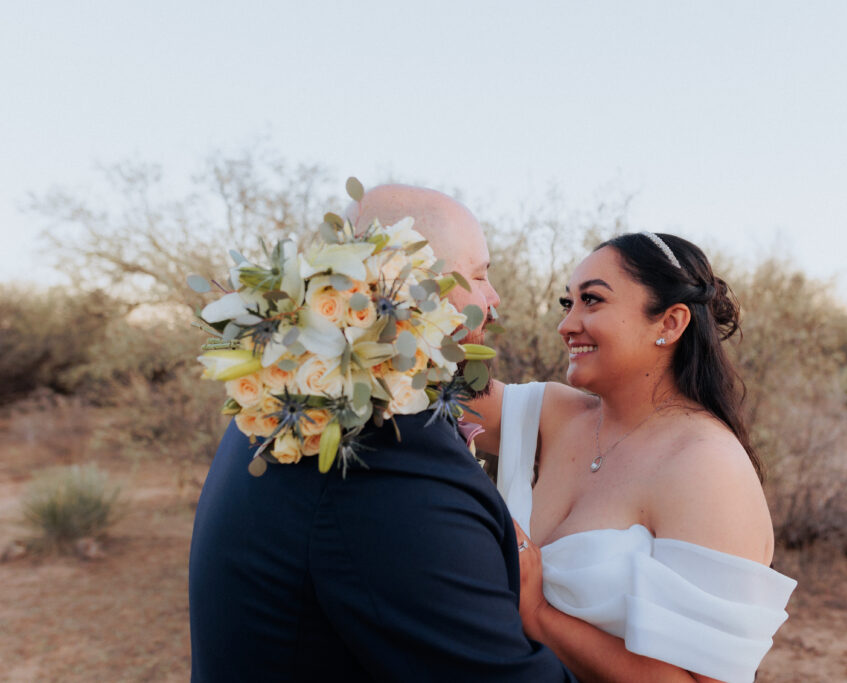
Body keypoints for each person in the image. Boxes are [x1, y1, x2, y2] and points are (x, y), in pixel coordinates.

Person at [188, 185, 575, 682]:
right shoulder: (387, 447)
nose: (492, 300)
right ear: (411, 284)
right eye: (479, 275)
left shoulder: (283, 401)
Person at [467, 232, 797, 683]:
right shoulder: (555, 416)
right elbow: (415, 388)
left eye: (592, 301)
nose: (567, 324)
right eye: (569, 304)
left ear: (669, 323)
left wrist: (540, 614)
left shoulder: (706, 465)